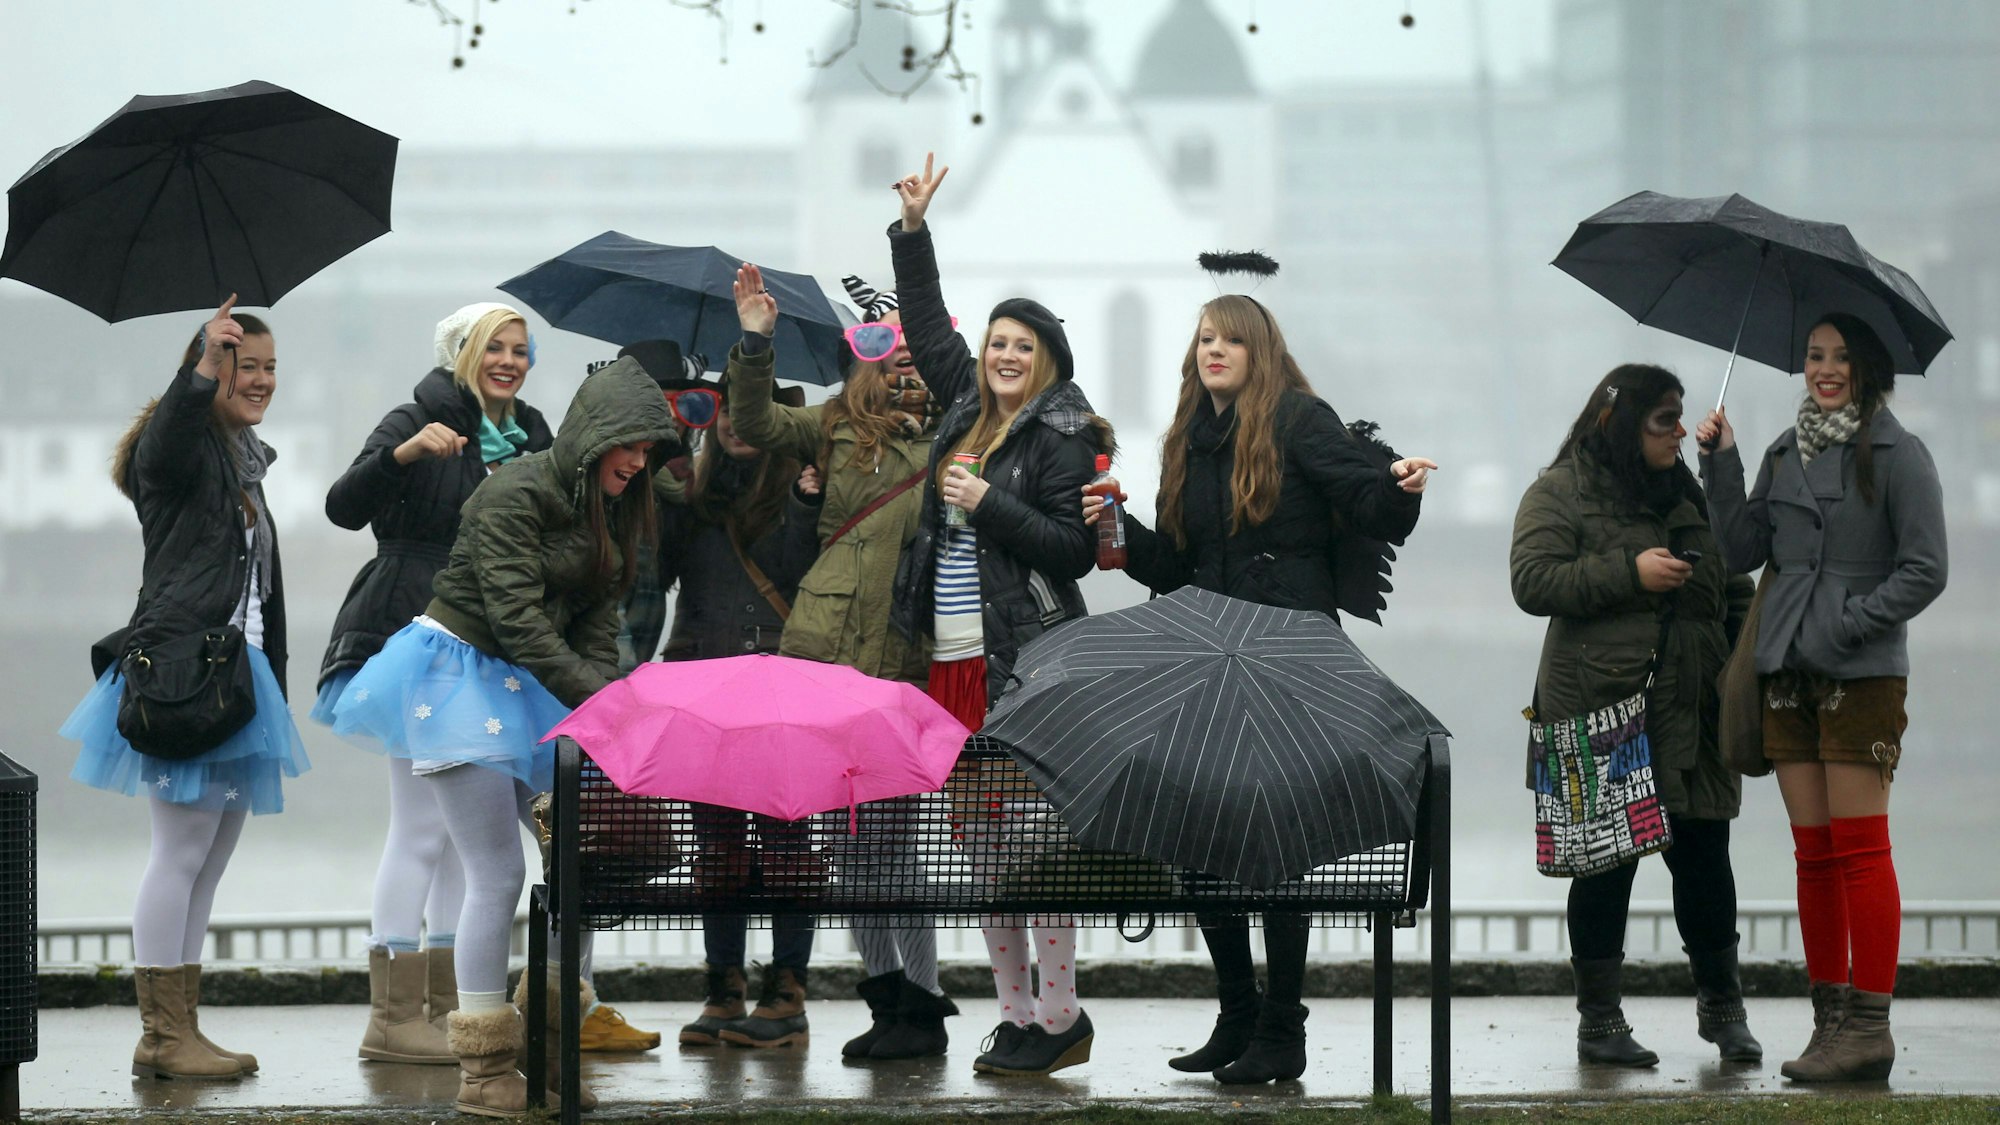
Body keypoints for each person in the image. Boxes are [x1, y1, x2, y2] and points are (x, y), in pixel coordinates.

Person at [1083, 292, 1436, 1085]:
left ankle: (1283, 1027)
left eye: (1231, 340)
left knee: (1275, 849)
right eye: (1205, 337)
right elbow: (1176, 565)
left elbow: (1368, 497)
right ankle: (1238, 1012)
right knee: (1202, 836)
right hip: (1208, 651)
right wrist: (1117, 527)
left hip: (1289, 655)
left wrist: (1402, 485)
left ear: (1259, 351)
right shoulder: (1188, 439)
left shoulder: (1300, 420)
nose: (1215, 349)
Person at [326, 357, 675, 1117]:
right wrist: (605, 701)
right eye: (633, 447)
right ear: (597, 436)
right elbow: (515, 619)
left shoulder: (611, 510)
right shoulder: (511, 491)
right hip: (457, 674)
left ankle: (547, 1045)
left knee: (575, 858)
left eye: (651, 452)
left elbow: (595, 620)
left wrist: (601, 701)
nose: (640, 463)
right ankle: (485, 1070)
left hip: (527, 683)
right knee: (496, 872)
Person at [883, 155, 1113, 1077]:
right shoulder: (965, 408)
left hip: (1024, 664)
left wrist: (985, 504)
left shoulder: (1064, 439)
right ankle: (1014, 1014)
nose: (1002, 356)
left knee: (1031, 854)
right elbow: (926, 325)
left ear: (1047, 359)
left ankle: (1061, 1015)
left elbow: (1071, 550)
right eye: (995, 344)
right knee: (983, 856)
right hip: (949, 662)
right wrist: (912, 233)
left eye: (1021, 345)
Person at [62, 296, 310, 1080]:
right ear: (208, 370)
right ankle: (162, 1035)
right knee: (178, 853)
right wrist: (204, 362)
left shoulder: (243, 462)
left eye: (271, 367)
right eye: (248, 365)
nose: (262, 379)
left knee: (207, 859)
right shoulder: (176, 451)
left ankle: (183, 1028)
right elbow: (167, 436)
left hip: (238, 679)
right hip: (182, 677)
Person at [1696, 313, 1947, 1083]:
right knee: (1814, 855)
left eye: (1840, 357)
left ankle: (1869, 1024)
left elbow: (1925, 568)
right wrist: (1722, 465)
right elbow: (1739, 550)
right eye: (1814, 355)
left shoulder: (1900, 454)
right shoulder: (1781, 451)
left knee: (1862, 849)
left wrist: (1850, 621)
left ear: (1868, 368)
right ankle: (1829, 1020)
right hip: (1786, 672)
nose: (1825, 368)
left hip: (1862, 673)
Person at [312, 304, 564, 1065]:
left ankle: (451, 1007)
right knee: (421, 828)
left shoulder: (533, 432)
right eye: (496, 347)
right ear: (462, 353)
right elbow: (341, 505)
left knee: (465, 843)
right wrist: (404, 456)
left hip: (496, 650)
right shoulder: (416, 417)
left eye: (521, 349)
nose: (511, 361)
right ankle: (392, 1014)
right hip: (411, 638)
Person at [724, 264, 959, 1060]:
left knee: (900, 843)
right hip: (823, 656)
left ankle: (921, 1004)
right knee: (850, 846)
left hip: (902, 658)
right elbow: (752, 421)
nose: (897, 358)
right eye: (878, 342)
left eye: (910, 345)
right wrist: (755, 339)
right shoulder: (827, 424)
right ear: (859, 356)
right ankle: (886, 998)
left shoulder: (956, 435)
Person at [1511, 364, 1761, 1068]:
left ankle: (1724, 1011)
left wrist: (1746, 660)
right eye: (1663, 419)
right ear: (1619, 422)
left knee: (1706, 859)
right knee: (1605, 866)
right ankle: (1600, 1023)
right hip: (1600, 711)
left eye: (1681, 416)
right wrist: (1631, 570)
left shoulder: (1691, 492)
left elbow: (1731, 584)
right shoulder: (1561, 489)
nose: (1678, 430)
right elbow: (1531, 579)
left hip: (1693, 704)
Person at [654, 375, 828, 1049]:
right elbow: (662, 569)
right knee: (717, 844)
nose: (732, 423)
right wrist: (667, 490)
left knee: (786, 843)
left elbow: (794, 570)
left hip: (779, 680)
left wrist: (806, 505)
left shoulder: (798, 490)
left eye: (749, 412)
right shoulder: (692, 493)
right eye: (722, 410)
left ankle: (786, 991)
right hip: (704, 683)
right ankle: (723, 986)